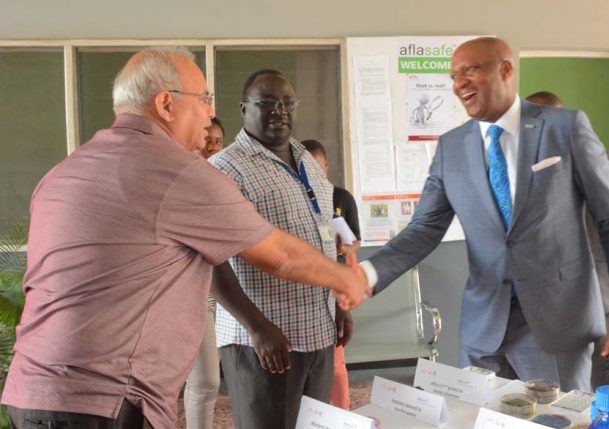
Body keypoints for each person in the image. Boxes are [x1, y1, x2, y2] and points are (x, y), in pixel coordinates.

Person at [0, 48, 368, 429]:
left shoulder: (64, 172)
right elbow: (279, 256)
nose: (211, 113)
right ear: (165, 104)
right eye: (204, 99)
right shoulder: (179, 173)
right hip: (103, 402)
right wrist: (343, 279)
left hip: (32, 393)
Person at [360, 37, 609, 392]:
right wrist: (366, 274)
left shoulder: (565, 128)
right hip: (483, 331)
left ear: (506, 69)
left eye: (471, 70)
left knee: (557, 420)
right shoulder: (452, 147)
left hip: (557, 326)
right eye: (453, 76)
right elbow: (423, 228)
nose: (459, 84)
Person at [209, 70, 351, 429]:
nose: (279, 111)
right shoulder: (225, 168)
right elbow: (210, 257)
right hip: (264, 342)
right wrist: (256, 327)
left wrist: (335, 301)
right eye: (267, 103)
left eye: (287, 102)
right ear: (244, 109)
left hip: (317, 331)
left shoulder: (307, 161)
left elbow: (323, 236)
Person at [526, 91, 609, 387]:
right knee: (597, 386)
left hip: (594, 297)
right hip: (589, 293)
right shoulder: (606, 158)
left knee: (595, 385)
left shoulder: (603, 161)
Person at [301, 138, 360, 410]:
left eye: (318, 166)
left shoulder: (341, 198)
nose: (313, 172)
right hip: (304, 284)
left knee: (336, 357)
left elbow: (354, 241)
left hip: (334, 283)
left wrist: (342, 244)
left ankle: (341, 410)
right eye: (306, 166)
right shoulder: (295, 197)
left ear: (326, 166)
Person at [183, 116, 225, 429]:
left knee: (214, 380)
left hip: (229, 293)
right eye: (206, 140)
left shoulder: (227, 182)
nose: (211, 148)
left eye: (218, 142)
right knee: (206, 380)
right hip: (194, 295)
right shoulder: (181, 182)